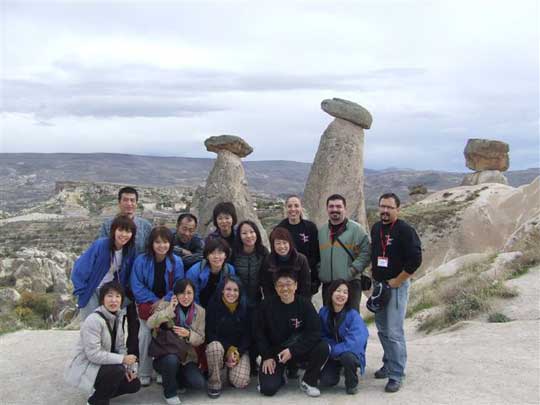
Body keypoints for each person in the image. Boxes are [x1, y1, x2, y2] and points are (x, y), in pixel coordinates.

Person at [370, 193, 422, 393]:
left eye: (389, 207)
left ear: (397, 209)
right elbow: (375, 253)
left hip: (396, 287)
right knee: (382, 328)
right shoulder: (376, 228)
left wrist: (397, 281)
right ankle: (389, 363)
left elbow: (415, 259)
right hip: (380, 285)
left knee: (394, 331)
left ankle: (396, 374)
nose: (384, 210)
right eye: (382, 206)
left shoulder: (405, 230)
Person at [65, 281, 141, 405]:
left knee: (134, 384)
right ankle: (97, 400)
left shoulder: (117, 317)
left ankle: (101, 390)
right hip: (88, 365)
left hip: (105, 364)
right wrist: (123, 359)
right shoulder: (93, 320)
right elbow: (93, 355)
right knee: (117, 370)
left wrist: (128, 369)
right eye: (109, 296)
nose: (114, 300)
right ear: (102, 299)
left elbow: (120, 346)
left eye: (117, 296)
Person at [256, 271, 329, 398]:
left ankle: (308, 381)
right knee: (267, 389)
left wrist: (292, 350)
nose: (285, 288)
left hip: (298, 350)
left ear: (295, 285)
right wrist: (266, 356)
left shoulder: (305, 304)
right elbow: (258, 333)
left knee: (323, 347)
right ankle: (281, 378)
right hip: (275, 353)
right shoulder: (266, 305)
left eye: (289, 284)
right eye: (280, 285)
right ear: (275, 287)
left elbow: (315, 332)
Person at [99, 186, 153, 356]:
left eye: (132, 200)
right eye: (125, 200)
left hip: (137, 283)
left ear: (137, 204)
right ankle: (113, 360)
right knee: (114, 324)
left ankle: (133, 361)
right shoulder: (108, 226)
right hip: (115, 284)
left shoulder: (145, 226)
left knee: (136, 324)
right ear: (119, 202)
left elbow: (151, 250)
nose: (129, 204)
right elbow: (102, 253)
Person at [130, 226, 185, 387]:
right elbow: (136, 284)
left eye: (166, 242)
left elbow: (178, 284)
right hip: (147, 304)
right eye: (158, 242)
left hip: (168, 304)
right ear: (151, 244)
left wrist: (163, 301)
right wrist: (154, 300)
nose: (162, 246)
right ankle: (145, 371)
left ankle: (162, 369)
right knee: (145, 334)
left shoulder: (177, 262)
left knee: (166, 334)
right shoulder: (141, 260)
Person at [147, 279, 206, 405]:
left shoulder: (200, 311)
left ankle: (173, 378)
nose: (186, 297)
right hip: (166, 354)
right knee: (171, 360)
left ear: (194, 294)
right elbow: (150, 323)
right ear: (176, 294)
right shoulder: (165, 305)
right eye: (182, 293)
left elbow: (201, 338)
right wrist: (169, 310)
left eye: (189, 293)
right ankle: (170, 393)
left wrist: (188, 334)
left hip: (187, 356)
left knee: (198, 383)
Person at [71, 215, 137, 321]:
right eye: (120, 230)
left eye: (128, 231)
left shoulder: (130, 251)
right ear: (113, 231)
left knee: (109, 328)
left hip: (111, 293)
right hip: (92, 290)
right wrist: (82, 290)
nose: (124, 235)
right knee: (91, 325)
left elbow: (127, 275)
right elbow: (79, 268)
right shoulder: (100, 245)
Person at [318, 194, 370, 310]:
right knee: (329, 320)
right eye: (331, 206)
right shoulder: (322, 231)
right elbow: (318, 256)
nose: (335, 209)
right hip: (329, 284)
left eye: (338, 206)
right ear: (327, 209)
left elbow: (366, 252)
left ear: (345, 209)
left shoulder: (356, 229)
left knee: (350, 319)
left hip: (350, 283)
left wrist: (353, 270)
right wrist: (321, 270)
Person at [319, 279, 369, 395]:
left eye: (345, 292)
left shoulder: (353, 315)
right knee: (326, 381)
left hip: (349, 353)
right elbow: (320, 335)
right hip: (333, 354)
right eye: (338, 291)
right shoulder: (323, 312)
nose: (341, 295)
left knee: (347, 357)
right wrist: (329, 348)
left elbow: (356, 342)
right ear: (331, 293)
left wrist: (333, 350)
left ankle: (352, 383)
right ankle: (335, 370)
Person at [205, 275, 251, 398]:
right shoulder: (213, 304)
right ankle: (214, 382)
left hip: (238, 349)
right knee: (214, 347)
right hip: (219, 348)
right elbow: (210, 333)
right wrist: (228, 349)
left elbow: (248, 334)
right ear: (222, 290)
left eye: (235, 290)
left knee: (240, 381)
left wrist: (237, 353)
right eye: (228, 289)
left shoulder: (246, 306)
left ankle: (227, 371)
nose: (232, 293)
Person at [232, 220, 269, 374]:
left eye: (252, 232)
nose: (249, 236)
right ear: (239, 236)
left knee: (256, 330)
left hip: (256, 299)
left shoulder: (263, 252)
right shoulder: (234, 253)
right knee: (240, 330)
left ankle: (253, 362)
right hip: (237, 300)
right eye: (244, 233)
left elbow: (267, 277)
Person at [276, 195, 320, 295]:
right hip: (287, 278)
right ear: (285, 208)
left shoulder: (310, 227)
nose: (293, 209)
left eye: (296, 206)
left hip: (307, 278)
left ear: (301, 208)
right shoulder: (280, 229)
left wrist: (314, 280)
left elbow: (316, 254)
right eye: (290, 206)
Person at [260, 227, 311, 300]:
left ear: (290, 243)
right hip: (276, 302)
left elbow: (305, 286)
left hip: (298, 301)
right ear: (273, 245)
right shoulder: (267, 261)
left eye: (284, 242)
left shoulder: (301, 259)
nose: (282, 246)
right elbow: (267, 288)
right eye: (278, 243)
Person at [186, 238, 236, 308]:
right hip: (198, 307)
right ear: (207, 256)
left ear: (225, 255)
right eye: (212, 253)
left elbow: (231, 293)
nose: (216, 256)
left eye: (220, 253)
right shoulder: (195, 271)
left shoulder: (230, 270)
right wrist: (200, 313)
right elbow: (192, 296)